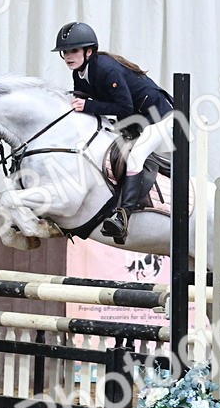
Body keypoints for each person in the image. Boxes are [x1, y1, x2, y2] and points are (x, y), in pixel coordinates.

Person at [52, 21, 175, 242]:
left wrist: (88, 106)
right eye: (65, 52)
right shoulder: (79, 74)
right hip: (134, 120)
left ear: (89, 51)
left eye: (74, 50)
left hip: (160, 116)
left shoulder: (106, 69)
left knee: (135, 156)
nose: (68, 56)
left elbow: (124, 107)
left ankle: (122, 215)